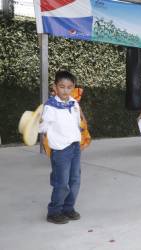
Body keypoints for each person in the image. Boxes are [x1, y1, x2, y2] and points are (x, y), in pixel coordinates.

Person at [39, 70, 83, 224]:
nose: (66, 90)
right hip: (60, 150)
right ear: (55, 87)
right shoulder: (50, 106)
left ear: (73, 88)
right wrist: (38, 130)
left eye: (69, 87)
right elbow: (42, 128)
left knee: (75, 180)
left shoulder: (74, 103)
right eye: (62, 86)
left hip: (75, 147)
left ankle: (68, 208)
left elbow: (78, 122)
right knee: (61, 183)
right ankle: (54, 212)